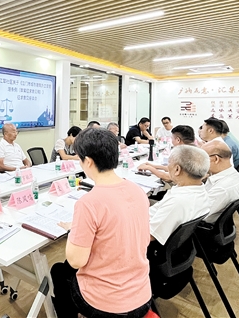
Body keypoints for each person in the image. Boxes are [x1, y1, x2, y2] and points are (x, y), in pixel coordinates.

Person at [50, 128, 151, 318]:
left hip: (108, 304)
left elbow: (76, 261)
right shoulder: (137, 190)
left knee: (59, 271)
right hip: (143, 293)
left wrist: (73, 232)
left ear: (88, 162)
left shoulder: (89, 203)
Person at [148, 145, 211, 246]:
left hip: (152, 245)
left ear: (177, 169)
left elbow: (150, 235)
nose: (167, 167)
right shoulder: (200, 191)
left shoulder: (178, 202)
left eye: (169, 163)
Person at [201, 141, 239, 223]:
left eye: (201, 158)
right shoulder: (234, 176)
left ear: (216, 159)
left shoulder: (222, 189)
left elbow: (196, 215)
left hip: (201, 227)